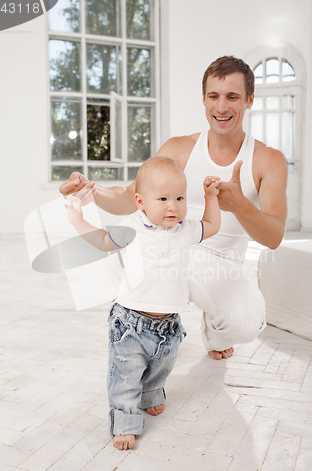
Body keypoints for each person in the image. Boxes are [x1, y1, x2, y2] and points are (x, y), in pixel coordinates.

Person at [60, 55, 288, 361]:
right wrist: (91, 189)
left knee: (246, 325)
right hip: (166, 246)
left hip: (218, 264)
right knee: (120, 246)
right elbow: (131, 196)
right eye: (213, 96)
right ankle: (140, 335)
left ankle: (215, 331)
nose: (221, 107)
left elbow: (273, 236)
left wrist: (240, 205)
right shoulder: (179, 148)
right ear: (204, 99)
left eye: (232, 97)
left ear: (249, 100)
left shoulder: (268, 159)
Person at [65, 156, 221, 450]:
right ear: (140, 201)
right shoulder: (132, 227)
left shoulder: (185, 229)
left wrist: (211, 197)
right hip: (130, 323)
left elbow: (212, 225)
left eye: (179, 198)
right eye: (162, 198)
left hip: (169, 326)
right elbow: (102, 241)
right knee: (126, 375)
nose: (172, 206)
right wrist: (77, 220)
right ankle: (124, 422)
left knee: (161, 366)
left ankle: (150, 394)